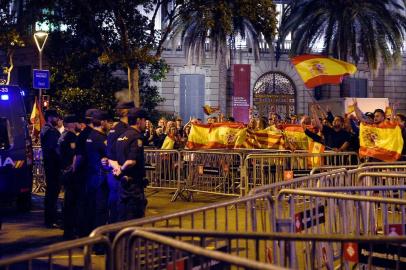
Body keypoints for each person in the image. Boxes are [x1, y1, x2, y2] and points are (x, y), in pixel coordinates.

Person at [114, 109, 149, 221]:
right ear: (139, 120)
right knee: (134, 217)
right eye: (144, 120)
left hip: (122, 184)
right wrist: (122, 169)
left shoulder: (121, 136)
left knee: (122, 215)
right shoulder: (136, 137)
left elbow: (113, 158)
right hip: (133, 185)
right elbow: (131, 161)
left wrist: (118, 169)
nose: (145, 123)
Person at [106, 102, 133, 224]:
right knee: (117, 207)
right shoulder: (118, 129)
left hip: (125, 173)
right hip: (119, 174)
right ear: (126, 111)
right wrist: (118, 168)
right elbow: (111, 152)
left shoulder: (128, 128)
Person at [85, 110, 110, 233]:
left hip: (90, 178)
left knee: (91, 209)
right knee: (100, 211)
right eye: (108, 122)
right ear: (102, 122)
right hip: (101, 178)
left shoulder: (90, 136)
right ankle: (98, 243)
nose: (109, 124)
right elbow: (109, 156)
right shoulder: (101, 138)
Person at [72, 109, 95, 236]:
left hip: (82, 174)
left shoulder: (82, 135)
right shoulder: (92, 134)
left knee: (82, 204)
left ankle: (81, 232)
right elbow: (79, 156)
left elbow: (78, 157)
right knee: (87, 205)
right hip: (88, 175)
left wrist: (74, 170)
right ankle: (85, 232)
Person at [57, 114, 79, 239]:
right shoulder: (70, 137)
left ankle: (67, 227)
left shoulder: (62, 136)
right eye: (74, 122)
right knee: (71, 202)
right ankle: (70, 230)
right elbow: (74, 155)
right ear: (70, 124)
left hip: (63, 171)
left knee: (67, 201)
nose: (76, 124)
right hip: (70, 172)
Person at [40, 109, 62, 228]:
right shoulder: (51, 132)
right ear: (50, 118)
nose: (58, 119)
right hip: (53, 166)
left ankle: (50, 218)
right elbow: (55, 150)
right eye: (56, 117)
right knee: (53, 192)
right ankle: (51, 219)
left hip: (50, 165)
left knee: (51, 192)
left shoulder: (46, 129)